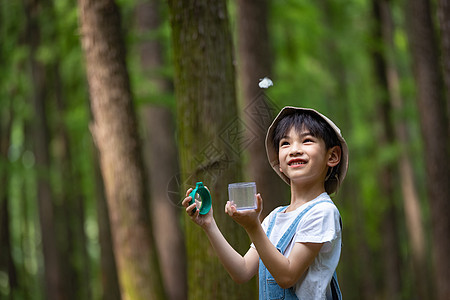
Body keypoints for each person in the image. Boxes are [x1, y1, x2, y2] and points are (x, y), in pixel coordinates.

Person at [182, 106, 349, 299]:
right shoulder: (274, 217)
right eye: (285, 143)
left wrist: (253, 227)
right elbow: (242, 271)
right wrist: (209, 225)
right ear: (279, 163)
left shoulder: (323, 212)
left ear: (332, 156)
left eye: (307, 140)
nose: (295, 150)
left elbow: (287, 276)